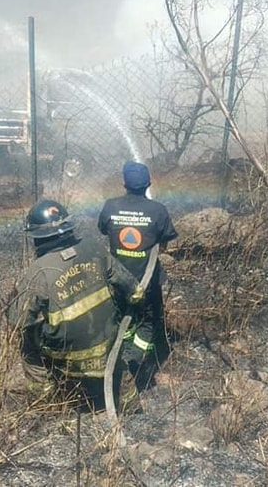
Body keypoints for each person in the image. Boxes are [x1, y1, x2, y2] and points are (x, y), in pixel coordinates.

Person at [7, 199, 143, 412]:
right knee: (117, 363)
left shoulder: (37, 273)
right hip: (108, 347)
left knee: (27, 345)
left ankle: (45, 403)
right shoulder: (94, 248)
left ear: (37, 239)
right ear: (68, 228)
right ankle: (130, 404)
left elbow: (17, 321)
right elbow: (134, 291)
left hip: (68, 358)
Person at [98, 161, 178, 389]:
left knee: (122, 316)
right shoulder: (158, 210)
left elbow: (104, 229)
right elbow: (165, 241)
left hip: (117, 281)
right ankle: (135, 358)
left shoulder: (110, 206)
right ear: (148, 184)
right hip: (147, 281)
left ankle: (123, 355)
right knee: (150, 319)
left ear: (123, 183)